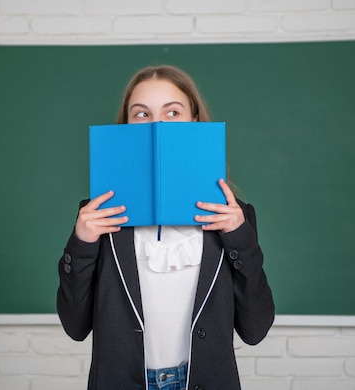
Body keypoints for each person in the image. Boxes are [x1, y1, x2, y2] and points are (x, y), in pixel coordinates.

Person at [57, 65, 274, 390]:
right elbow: (75, 326)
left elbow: (255, 329)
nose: (157, 124)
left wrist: (239, 237)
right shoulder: (98, 217)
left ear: (195, 122)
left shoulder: (235, 217)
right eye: (141, 114)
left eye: (172, 112)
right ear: (126, 127)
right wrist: (81, 243)